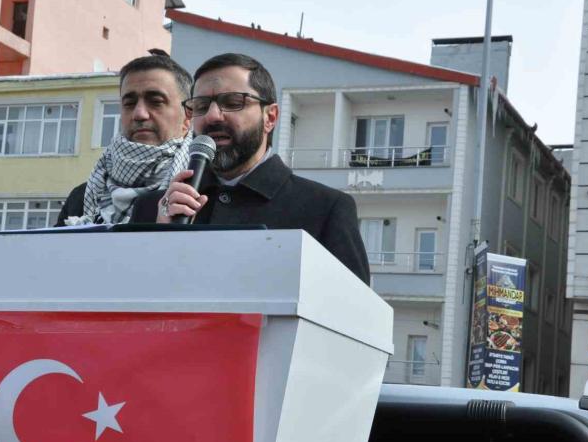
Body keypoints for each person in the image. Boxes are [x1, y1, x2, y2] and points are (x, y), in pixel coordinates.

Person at [130, 53, 370, 283]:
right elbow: (125, 298)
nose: (212, 116)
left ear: (270, 118)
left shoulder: (325, 209)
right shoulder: (153, 208)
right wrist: (159, 242)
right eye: (201, 106)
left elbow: (351, 307)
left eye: (232, 102)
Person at [55, 53, 192, 226]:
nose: (139, 114)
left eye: (156, 102)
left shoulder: (205, 191)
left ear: (187, 117)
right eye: (129, 104)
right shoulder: (83, 198)